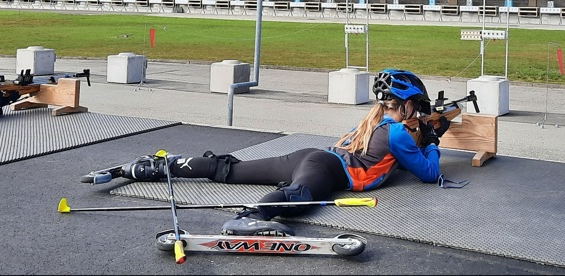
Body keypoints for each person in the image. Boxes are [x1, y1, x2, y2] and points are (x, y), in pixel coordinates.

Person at [116, 68, 451, 237]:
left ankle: (162, 166)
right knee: (299, 196)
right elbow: (429, 173)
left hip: (308, 156)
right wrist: (434, 142)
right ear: (406, 105)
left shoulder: (370, 122)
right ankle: (248, 218)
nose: (419, 112)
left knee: (231, 169)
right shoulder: (399, 133)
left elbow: (389, 161)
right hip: (326, 170)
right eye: (417, 106)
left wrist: (425, 136)